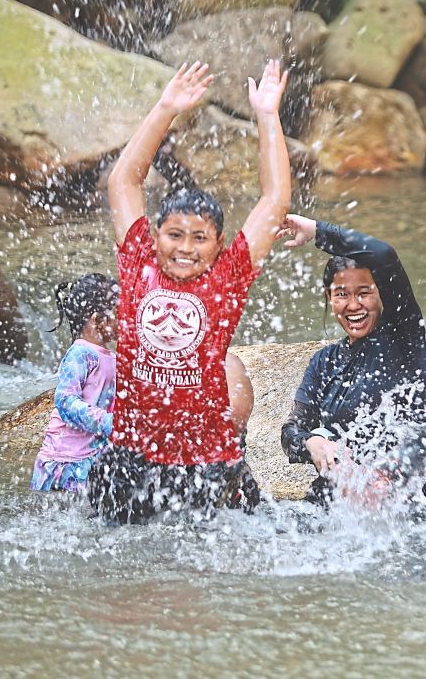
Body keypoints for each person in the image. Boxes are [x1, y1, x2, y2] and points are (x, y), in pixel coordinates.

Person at [88, 60, 291, 522]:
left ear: (218, 245)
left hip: (202, 459)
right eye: (174, 235)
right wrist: (166, 107)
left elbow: (274, 201)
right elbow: (125, 180)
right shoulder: (138, 258)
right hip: (130, 448)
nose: (184, 248)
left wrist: (267, 116)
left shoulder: (228, 276)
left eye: (199, 238)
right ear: (155, 235)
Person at [278, 215, 426, 506]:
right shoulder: (324, 362)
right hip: (338, 501)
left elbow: (384, 255)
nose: (353, 306)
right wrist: (312, 443)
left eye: (364, 293)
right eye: (342, 295)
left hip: (402, 498)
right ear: (329, 297)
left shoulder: (403, 337)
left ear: (381, 294)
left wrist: (317, 231)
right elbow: (291, 432)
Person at [31, 274, 119, 493]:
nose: (125, 318)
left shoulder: (112, 357)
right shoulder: (80, 353)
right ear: (97, 319)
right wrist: (108, 423)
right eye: (119, 312)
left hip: (90, 457)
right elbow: (65, 400)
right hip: (63, 462)